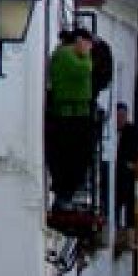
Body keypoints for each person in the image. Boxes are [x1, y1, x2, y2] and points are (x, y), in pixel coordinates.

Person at [46, 28, 96, 210]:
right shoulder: (65, 54)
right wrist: (86, 56)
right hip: (68, 115)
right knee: (71, 157)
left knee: (77, 157)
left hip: (77, 113)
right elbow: (82, 70)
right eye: (88, 43)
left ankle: (66, 194)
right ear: (79, 40)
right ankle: (63, 195)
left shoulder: (67, 54)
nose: (89, 48)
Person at [114, 103, 138, 228]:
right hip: (112, 172)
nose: (120, 119)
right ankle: (115, 224)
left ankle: (128, 229)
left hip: (126, 174)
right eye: (118, 116)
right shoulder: (109, 130)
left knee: (129, 202)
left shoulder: (132, 131)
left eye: (123, 116)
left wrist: (130, 164)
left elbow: (135, 153)